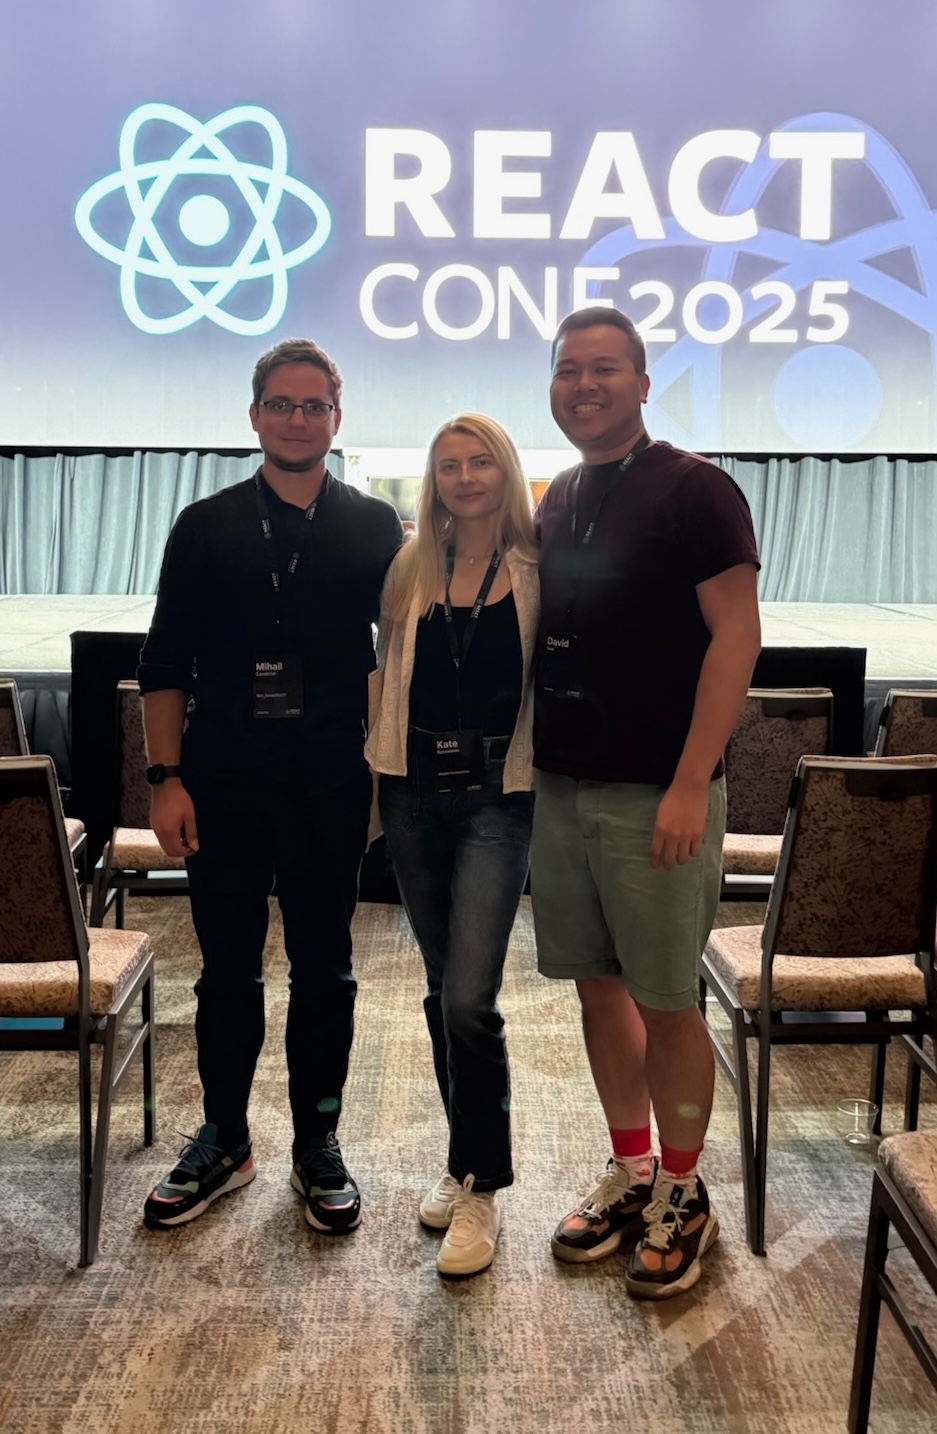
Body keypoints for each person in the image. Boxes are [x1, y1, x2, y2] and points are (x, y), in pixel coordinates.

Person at [139, 338, 402, 1235]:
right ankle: (226, 1135)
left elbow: (401, 657)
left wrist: (389, 780)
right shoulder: (204, 525)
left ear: (337, 417)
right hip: (222, 781)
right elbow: (165, 661)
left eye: (314, 406)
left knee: (326, 971)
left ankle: (316, 1143)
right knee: (226, 972)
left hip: (331, 782)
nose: (297, 420)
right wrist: (165, 778)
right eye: (281, 405)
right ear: (254, 415)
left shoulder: (373, 527)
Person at [532, 307, 761, 1298]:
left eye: (604, 369)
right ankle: (630, 1170)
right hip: (561, 790)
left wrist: (686, 781)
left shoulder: (697, 490)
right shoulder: (560, 498)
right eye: (568, 370)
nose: (585, 385)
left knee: (668, 1001)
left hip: (657, 799)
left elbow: (736, 638)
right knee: (596, 988)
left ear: (642, 381)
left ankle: (681, 1189)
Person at [366, 413, 539, 1276]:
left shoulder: (541, 575)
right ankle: (462, 1159)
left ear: (504, 472)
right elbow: (383, 679)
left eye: (479, 463)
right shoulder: (409, 567)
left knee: (471, 997)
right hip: (413, 796)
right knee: (442, 991)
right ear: (431, 480)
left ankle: (486, 1188)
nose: (464, 479)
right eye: (447, 466)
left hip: (498, 805)